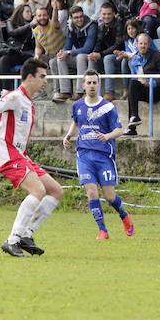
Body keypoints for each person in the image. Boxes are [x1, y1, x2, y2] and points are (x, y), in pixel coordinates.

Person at [0, 58, 63, 257]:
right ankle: (13, 239)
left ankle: (27, 234)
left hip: (21, 155)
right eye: (42, 77)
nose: (45, 81)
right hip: (8, 154)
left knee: (56, 191)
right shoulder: (15, 97)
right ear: (30, 77)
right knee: (38, 190)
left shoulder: (29, 103)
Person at [63, 70, 134, 240]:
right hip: (84, 155)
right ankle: (103, 230)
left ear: (99, 84)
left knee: (109, 196)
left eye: (95, 82)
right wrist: (68, 136)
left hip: (104, 156)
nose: (92, 86)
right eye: (89, 83)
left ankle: (124, 216)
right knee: (92, 193)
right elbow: (76, 123)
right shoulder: (77, 105)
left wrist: (107, 136)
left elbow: (119, 129)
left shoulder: (108, 107)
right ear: (83, 85)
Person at [123, 33, 160, 135]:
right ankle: (133, 122)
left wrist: (150, 83)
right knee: (132, 88)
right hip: (145, 89)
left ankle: (132, 122)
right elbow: (135, 78)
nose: (143, 46)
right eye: (141, 43)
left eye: (145, 43)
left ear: (149, 44)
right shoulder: (135, 58)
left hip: (159, 90)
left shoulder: (157, 56)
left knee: (133, 87)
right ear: (136, 44)